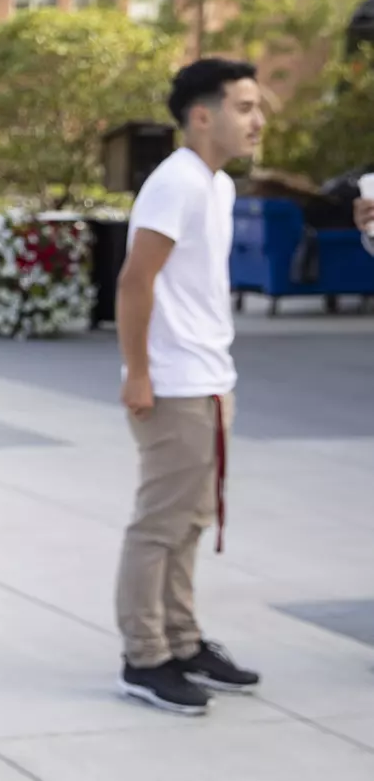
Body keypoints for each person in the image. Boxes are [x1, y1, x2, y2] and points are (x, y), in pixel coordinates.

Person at [112, 57, 265, 716]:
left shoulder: (217, 185)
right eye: (245, 106)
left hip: (207, 378)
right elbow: (134, 280)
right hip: (173, 384)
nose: (258, 119)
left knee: (191, 521)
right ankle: (144, 656)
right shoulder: (177, 183)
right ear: (203, 115)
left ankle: (181, 636)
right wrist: (140, 371)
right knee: (160, 525)